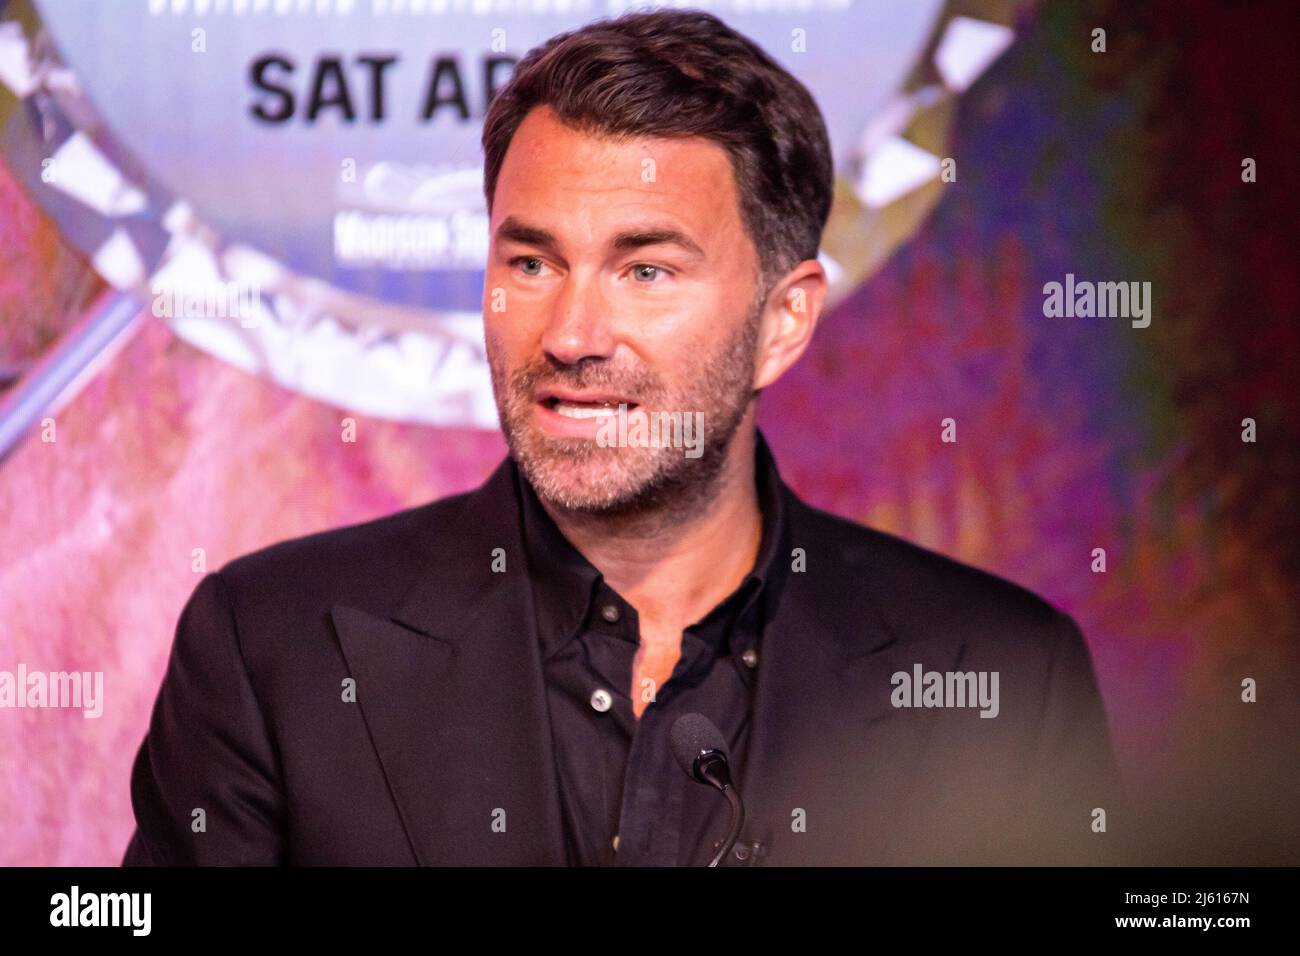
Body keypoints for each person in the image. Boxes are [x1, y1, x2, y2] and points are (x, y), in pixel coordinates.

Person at [122, 9, 1120, 866]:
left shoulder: (1002, 675)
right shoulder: (272, 644)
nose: (569, 335)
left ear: (784, 319)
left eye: (645, 270)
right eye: (530, 261)